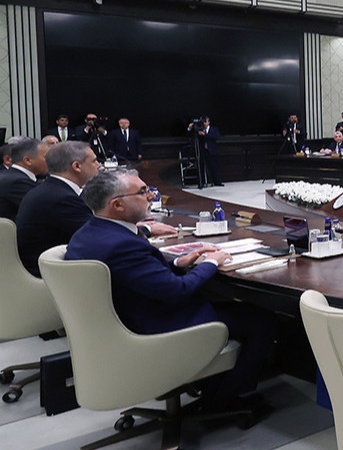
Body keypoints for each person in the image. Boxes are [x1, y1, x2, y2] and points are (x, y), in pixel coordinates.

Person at [65, 169, 277, 414]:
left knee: (230, 305)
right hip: (157, 326)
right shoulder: (123, 245)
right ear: (118, 205)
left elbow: (133, 275)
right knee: (262, 319)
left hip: (123, 320)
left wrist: (177, 263)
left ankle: (209, 384)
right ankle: (223, 402)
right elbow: (177, 291)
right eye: (143, 192)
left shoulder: (86, 234)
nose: (151, 196)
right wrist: (212, 262)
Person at [15, 142, 175, 276]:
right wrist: (146, 229)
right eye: (94, 161)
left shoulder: (53, 190)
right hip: (51, 279)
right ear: (77, 166)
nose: (99, 165)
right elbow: (100, 233)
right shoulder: (61, 198)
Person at [0, 138, 47, 221]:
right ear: (28, 160)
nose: (50, 160)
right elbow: (43, 208)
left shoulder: (12, 176)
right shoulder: (17, 182)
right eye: (46, 157)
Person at [188, 117, 222, 186]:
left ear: (208, 122)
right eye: (202, 122)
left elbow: (216, 137)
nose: (203, 123)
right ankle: (201, 182)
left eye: (205, 122)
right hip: (202, 150)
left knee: (214, 166)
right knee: (201, 166)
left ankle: (217, 182)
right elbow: (191, 135)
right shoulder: (200, 129)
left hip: (212, 150)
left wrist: (205, 135)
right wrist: (190, 128)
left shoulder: (214, 129)